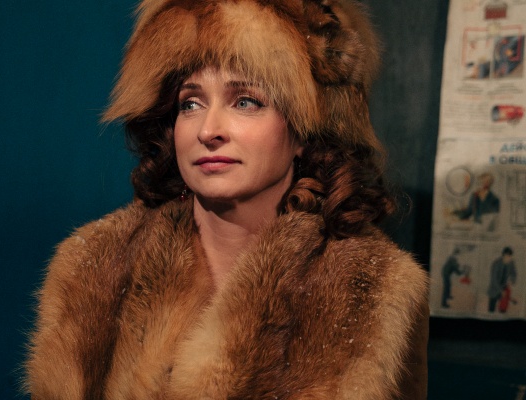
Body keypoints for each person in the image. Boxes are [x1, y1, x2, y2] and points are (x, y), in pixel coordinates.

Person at [25, 0, 429, 398]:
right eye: (190, 104)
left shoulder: (375, 290)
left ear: (304, 132)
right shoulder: (93, 266)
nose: (208, 130)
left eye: (245, 102)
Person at [488, 247, 517, 313]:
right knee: (491, 310)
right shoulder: (496, 264)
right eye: (507, 257)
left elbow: (514, 273)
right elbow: (494, 280)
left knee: (503, 310)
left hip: (504, 287)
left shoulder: (511, 263)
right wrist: (501, 290)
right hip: (495, 289)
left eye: (510, 257)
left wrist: (512, 280)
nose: (509, 259)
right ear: (503, 256)